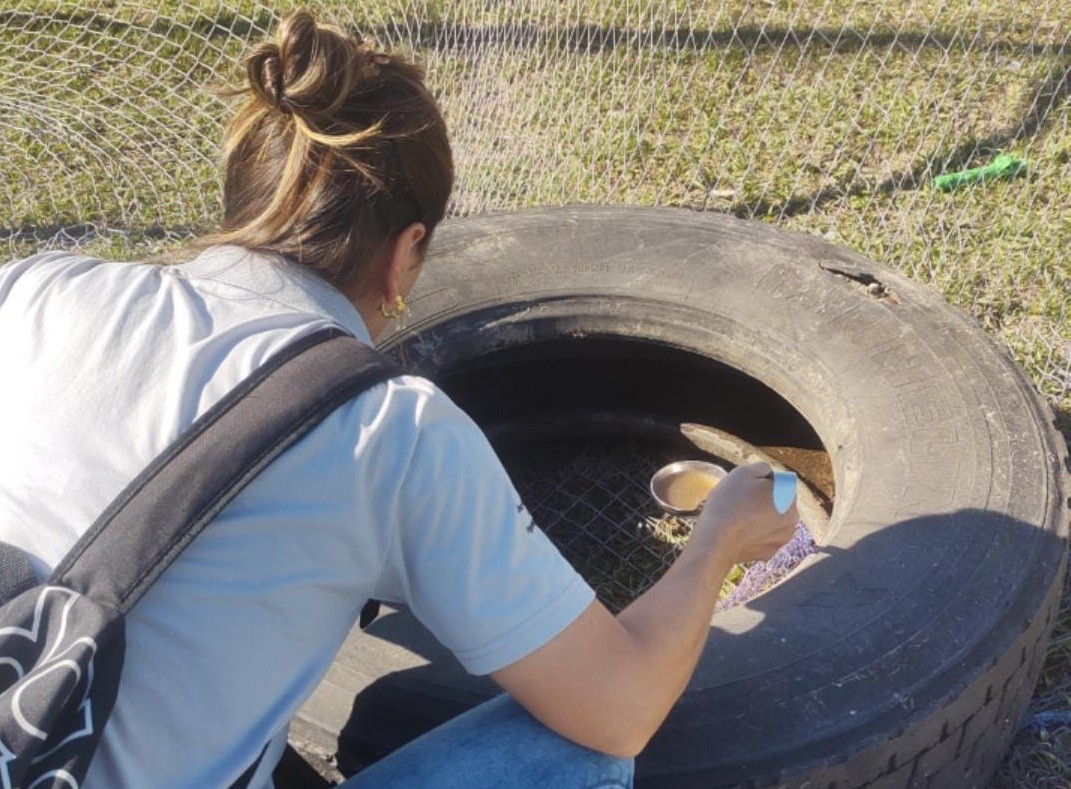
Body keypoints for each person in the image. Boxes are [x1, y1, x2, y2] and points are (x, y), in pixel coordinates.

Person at [0, 10, 797, 788]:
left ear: (240, 201)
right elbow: (618, 709)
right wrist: (717, 539)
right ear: (406, 251)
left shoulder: (33, 291)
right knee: (581, 760)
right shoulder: (394, 431)